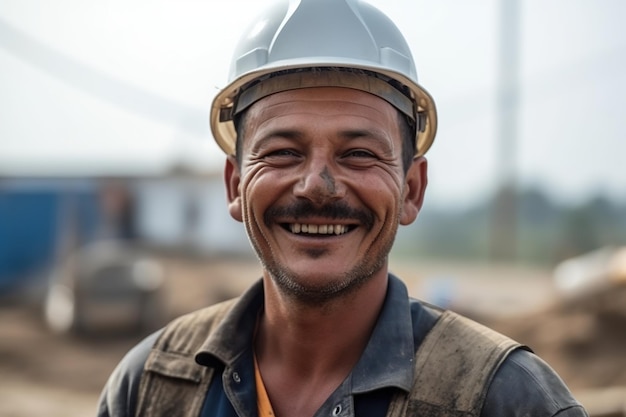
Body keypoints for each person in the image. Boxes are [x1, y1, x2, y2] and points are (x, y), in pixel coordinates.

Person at [97, 0, 588, 416]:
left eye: (358, 154)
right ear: (235, 184)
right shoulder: (149, 388)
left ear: (412, 189)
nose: (317, 186)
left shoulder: (507, 400)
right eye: (283, 151)